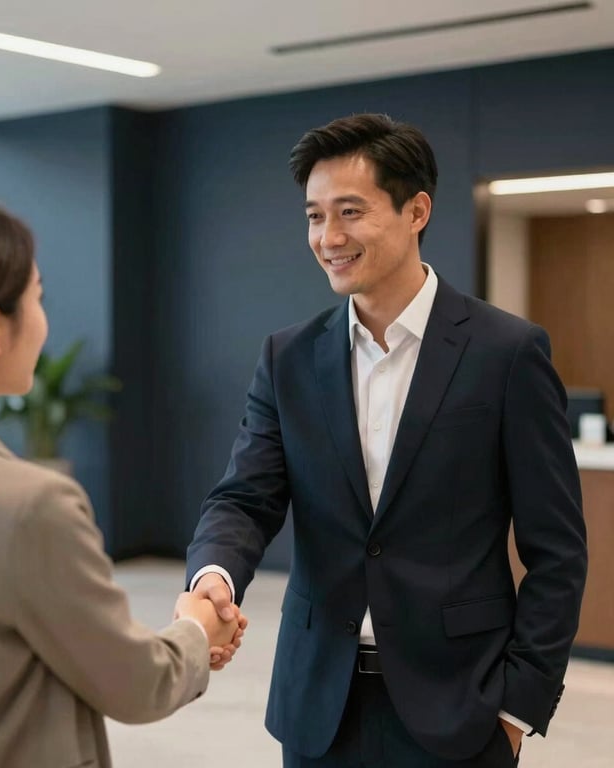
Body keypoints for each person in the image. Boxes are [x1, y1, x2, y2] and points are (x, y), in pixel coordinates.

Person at [186, 113, 587, 767]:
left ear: (416, 210)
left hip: (463, 707)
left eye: (350, 212)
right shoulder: (288, 357)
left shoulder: (507, 353)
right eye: (314, 216)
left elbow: (558, 551)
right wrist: (214, 579)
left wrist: (517, 710)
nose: (328, 237)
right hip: (320, 704)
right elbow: (243, 498)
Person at [0, 195, 241, 768]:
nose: (43, 317)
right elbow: (137, 683)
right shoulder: (29, 507)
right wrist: (198, 628)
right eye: (37, 296)